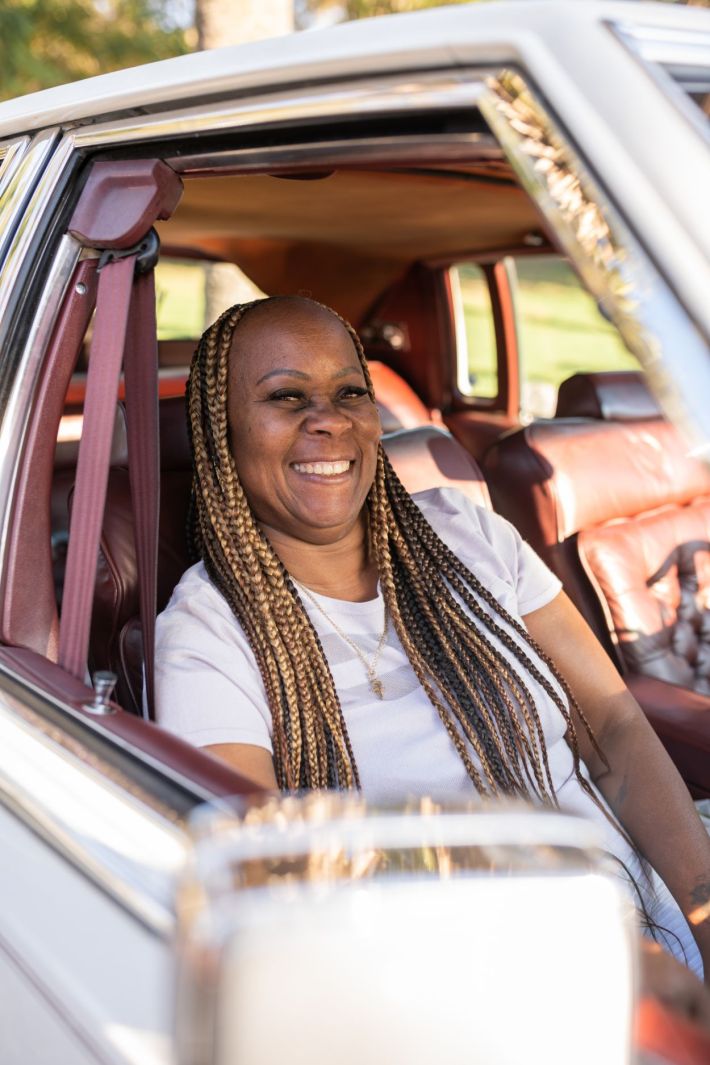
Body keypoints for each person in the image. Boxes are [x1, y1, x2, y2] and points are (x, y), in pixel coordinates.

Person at [155, 294, 710, 997]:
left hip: (646, 903)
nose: (326, 418)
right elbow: (268, 882)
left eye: (349, 392)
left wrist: (702, 915)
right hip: (467, 983)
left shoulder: (467, 533)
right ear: (222, 432)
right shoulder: (209, 632)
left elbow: (616, 726)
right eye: (286, 396)